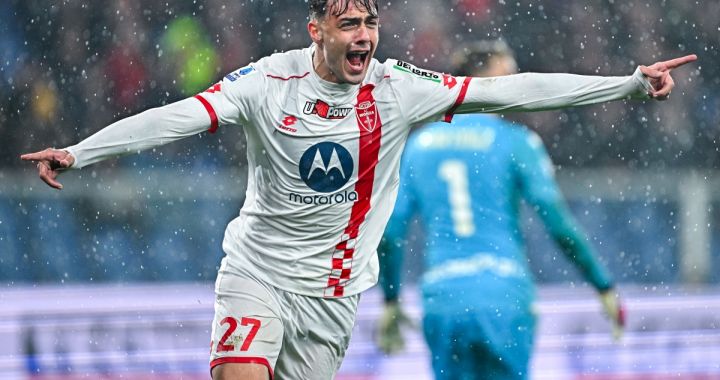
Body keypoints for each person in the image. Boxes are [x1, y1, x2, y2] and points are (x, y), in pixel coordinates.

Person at [20, 0, 695, 379]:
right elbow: (177, 118)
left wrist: (628, 82)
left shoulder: (399, 89)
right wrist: (81, 152)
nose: (364, 37)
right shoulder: (266, 82)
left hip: (335, 295)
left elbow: (511, 90)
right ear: (317, 30)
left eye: (371, 23)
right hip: (257, 273)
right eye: (349, 24)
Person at [375, 39, 629, 380]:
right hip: (503, 295)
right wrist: (603, 285)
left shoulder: (419, 146)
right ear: (489, 81)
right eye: (508, 77)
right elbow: (558, 223)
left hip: (444, 296)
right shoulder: (515, 142)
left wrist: (390, 300)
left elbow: (390, 232)